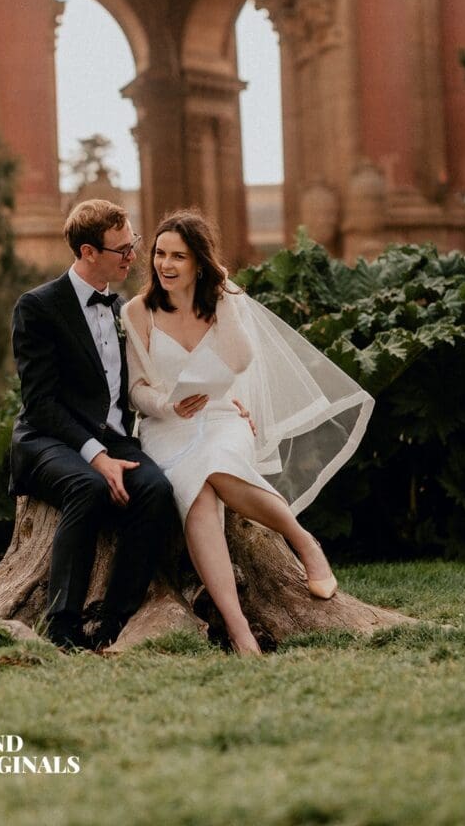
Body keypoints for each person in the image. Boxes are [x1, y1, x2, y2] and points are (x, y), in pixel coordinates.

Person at [122, 209, 374, 656]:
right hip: (165, 428)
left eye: (179, 256)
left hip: (222, 416)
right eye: (160, 254)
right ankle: (239, 631)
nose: (166, 265)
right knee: (196, 496)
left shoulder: (225, 299)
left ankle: (303, 541)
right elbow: (138, 390)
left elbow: (239, 359)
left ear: (199, 262)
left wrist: (223, 296)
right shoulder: (137, 311)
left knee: (216, 467)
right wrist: (167, 404)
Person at [9, 199, 174, 652]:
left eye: (133, 244)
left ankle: (113, 623)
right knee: (88, 487)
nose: (133, 257)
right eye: (122, 249)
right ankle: (61, 627)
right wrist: (96, 457)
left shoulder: (121, 309)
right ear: (88, 252)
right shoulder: (38, 307)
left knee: (157, 491)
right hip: (49, 440)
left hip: (115, 439)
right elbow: (40, 403)